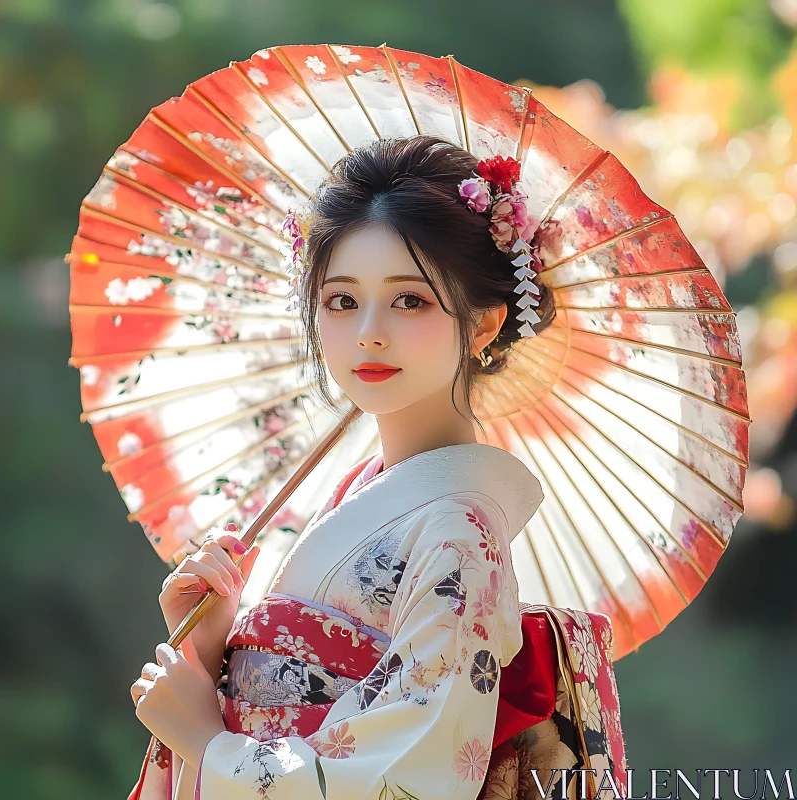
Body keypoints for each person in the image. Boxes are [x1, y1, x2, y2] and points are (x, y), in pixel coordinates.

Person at [128, 135, 628, 800]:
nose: (368, 331)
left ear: (482, 324)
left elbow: (408, 777)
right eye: (342, 300)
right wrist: (215, 648)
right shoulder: (356, 493)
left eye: (409, 301)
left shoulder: (459, 531)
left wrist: (204, 742)